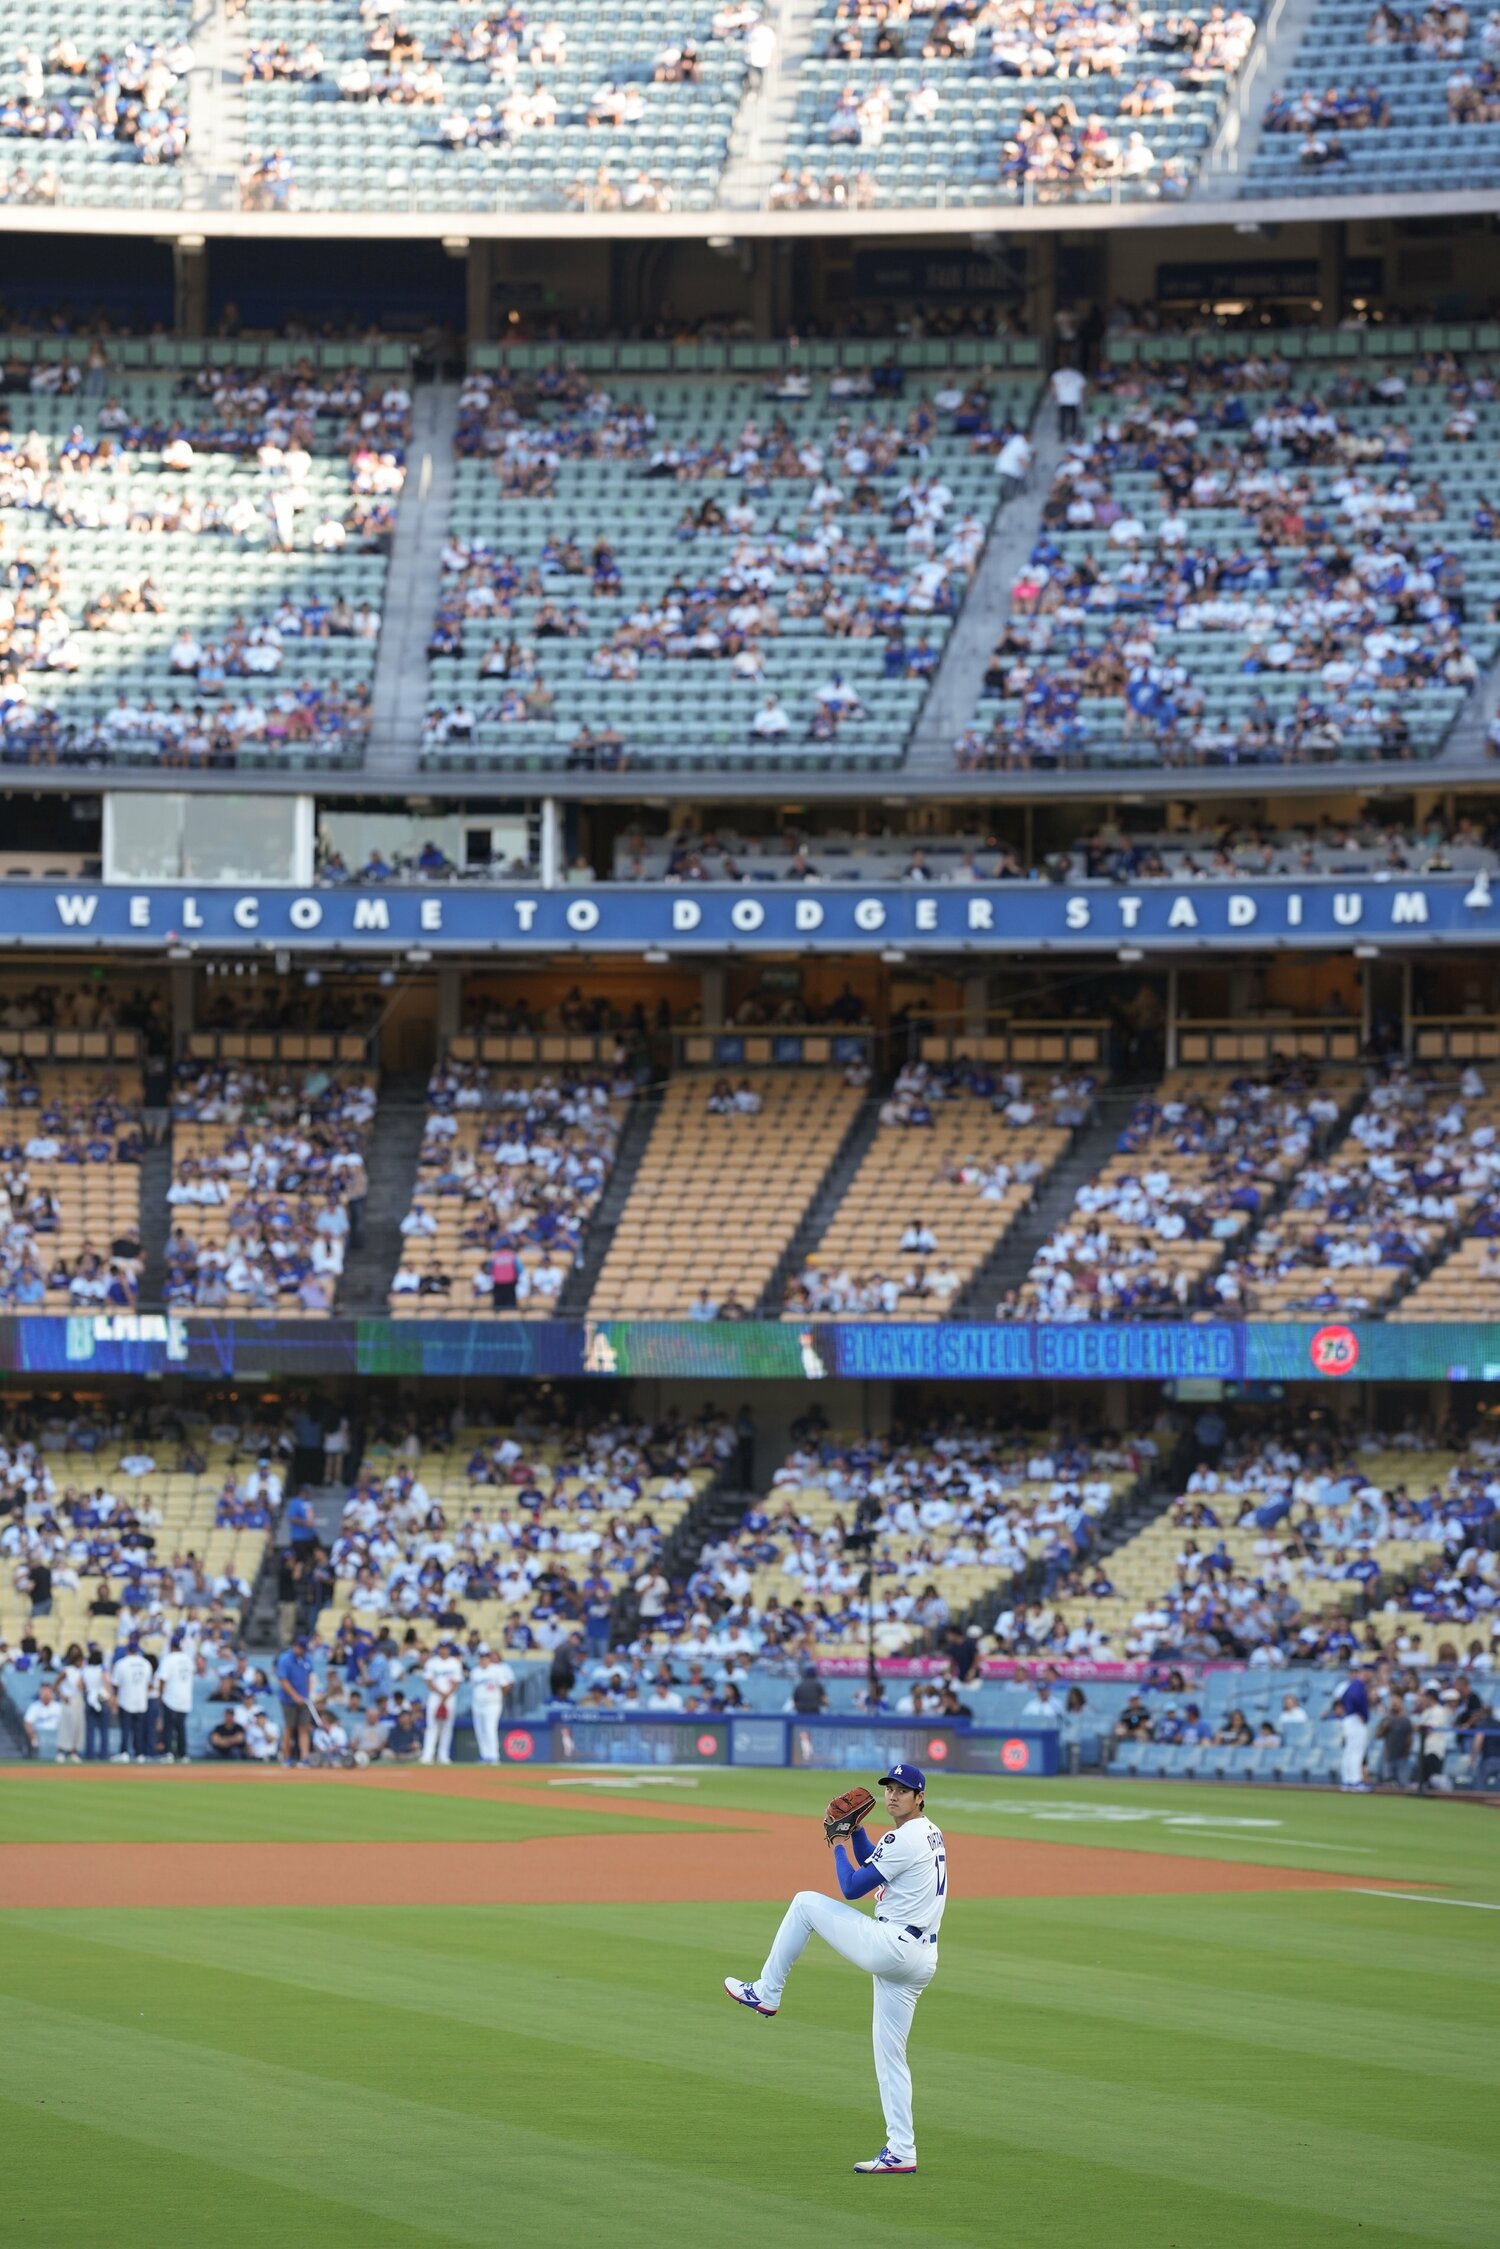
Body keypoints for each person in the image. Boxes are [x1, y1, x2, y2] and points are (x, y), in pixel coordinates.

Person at [724, 1764, 945, 2175]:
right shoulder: (929, 1832)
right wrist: (857, 1831)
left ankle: (767, 1991)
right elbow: (877, 1863)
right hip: (919, 1959)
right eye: (890, 1788)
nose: (893, 1795)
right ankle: (902, 2150)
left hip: (892, 1947)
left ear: (920, 1797)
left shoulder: (903, 1837)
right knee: (891, 2057)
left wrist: (839, 1842)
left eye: (903, 1790)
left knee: (805, 1903)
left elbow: (852, 1886)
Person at [421, 1638, 465, 1764]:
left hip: (450, 1697)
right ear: (438, 1649)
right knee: (432, 1725)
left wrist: (446, 1695)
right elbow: (429, 1681)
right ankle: (428, 1755)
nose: (444, 1650)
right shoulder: (432, 1662)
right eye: (442, 1648)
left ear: (449, 1649)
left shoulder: (455, 1663)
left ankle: (443, 1756)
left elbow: (457, 1682)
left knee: (447, 1727)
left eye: (446, 1648)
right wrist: (441, 1694)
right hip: (435, 1696)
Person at [469, 1646, 516, 1763]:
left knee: (490, 1729)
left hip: (492, 1704)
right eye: (481, 1657)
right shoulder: (475, 1671)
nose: (483, 1659)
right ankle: (484, 1755)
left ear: (489, 1658)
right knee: (480, 1730)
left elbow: (505, 1686)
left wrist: (497, 1697)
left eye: (485, 1657)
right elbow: (473, 1687)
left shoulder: (496, 1670)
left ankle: (494, 1755)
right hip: (477, 1704)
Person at [275, 1635, 315, 1766]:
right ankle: (287, 1757)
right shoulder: (285, 1659)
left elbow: (309, 1676)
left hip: (304, 1700)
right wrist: (295, 1696)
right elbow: (283, 1680)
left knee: (304, 1727)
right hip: (288, 1700)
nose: (303, 1651)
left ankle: (305, 1758)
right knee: (289, 1728)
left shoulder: (306, 1659)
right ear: (296, 1646)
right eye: (301, 1648)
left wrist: (308, 1694)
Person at [113, 1636, 154, 1763]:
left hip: (126, 1700)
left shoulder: (121, 1663)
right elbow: (149, 1684)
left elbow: (115, 1684)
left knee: (125, 1728)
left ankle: (124, 1752)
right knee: (138, 1729)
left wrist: (115, 1699)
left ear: (127, 1650)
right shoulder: (146, 1664)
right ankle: (139, 1753)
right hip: (141, 1701)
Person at [156, 1630, 196, 1762]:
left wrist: (161, 1695)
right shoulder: (188, 1659)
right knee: (181, 1727)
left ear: (170, 1646)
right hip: (185, 1698)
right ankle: (183, 1754)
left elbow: (162, 1679)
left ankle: (168, 1753)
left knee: (168, 1727)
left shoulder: (169, 1659)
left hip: (171, 1697)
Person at [1331, 1666, 1371, 1791]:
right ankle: (1355, 1780)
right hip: (1355, 1719)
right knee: (1356, 1751)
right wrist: (1362, 1713)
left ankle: (1347, 1780)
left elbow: (1342, 1699)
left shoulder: (1350, 1685)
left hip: (1348, 1718)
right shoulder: (1358, 1685)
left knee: (1349, 1750)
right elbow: (1356, 1699)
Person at [23, 1680, 62, 1759]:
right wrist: (33, 1736)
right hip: (39, 1736)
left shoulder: (58, 1707)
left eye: (48, 1692)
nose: (46, 1695)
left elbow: (65, 1724)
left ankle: (61, 1753)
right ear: (39, 1693)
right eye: (43, 1692)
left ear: (52, 1693)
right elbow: (27, 1723)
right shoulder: (34, 1706)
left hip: (56, 1736)